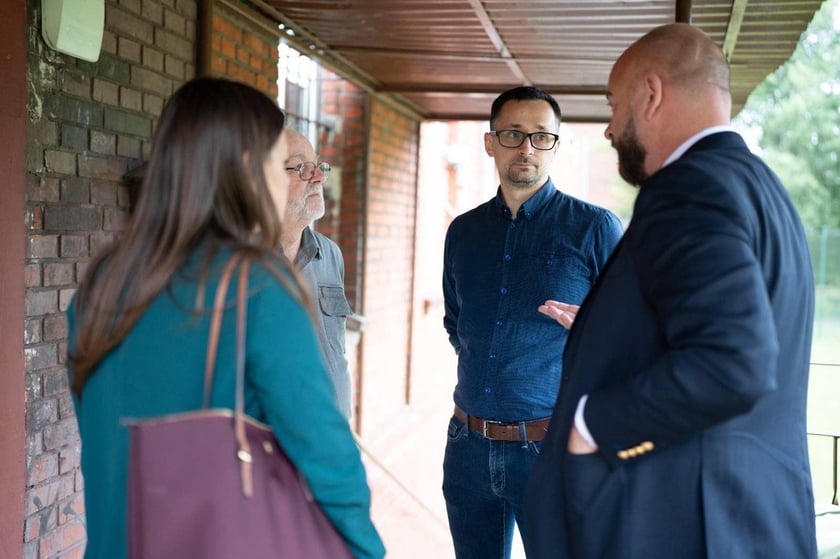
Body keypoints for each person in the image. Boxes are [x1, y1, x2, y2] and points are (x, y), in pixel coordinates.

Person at [522, 23, 817, 558]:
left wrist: (593, 427)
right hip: (749, 519)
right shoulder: (762, 188)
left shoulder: (689, 188)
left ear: (651, 94)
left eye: (614, 105)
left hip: (684, 525)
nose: (610, 129)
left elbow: (735, 361)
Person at [66, 77, 385, 559]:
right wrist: (365, 549)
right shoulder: (258, 287)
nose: (295, 177)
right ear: (246, 168)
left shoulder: (101, 282)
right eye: (282, 162)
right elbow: (326, 454)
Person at [441, 86, 624, 558]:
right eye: (513, 134)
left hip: (552, 448)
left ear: (556, 145)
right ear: (490, 142)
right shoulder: (463, 232)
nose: (527, 147)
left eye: (541, 136)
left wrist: (595, 330)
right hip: (468, 447)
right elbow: (457, 324)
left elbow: (628, 339)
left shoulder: (595, 228)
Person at [281, 129, 354, 418]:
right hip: (269, 451)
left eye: (318, 166)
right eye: (302, 168)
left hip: (330, 442)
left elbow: (335, 354)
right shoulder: (236, 261)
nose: (319, 177)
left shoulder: (330, 254)